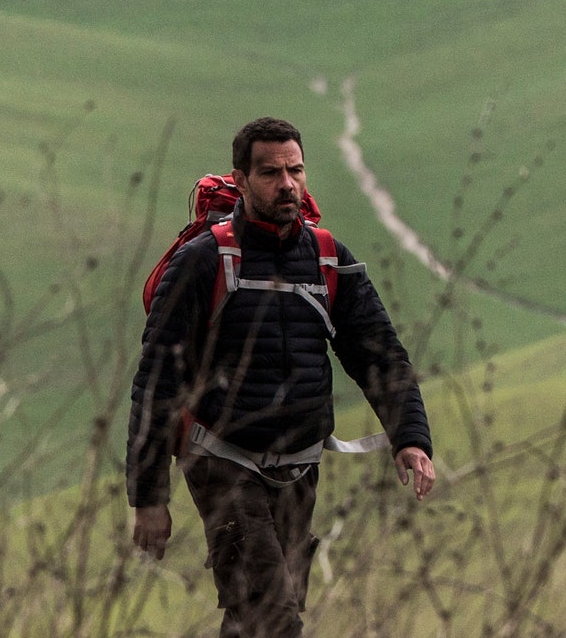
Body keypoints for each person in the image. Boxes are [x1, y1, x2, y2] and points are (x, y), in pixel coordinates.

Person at [127, 117, 435, 637]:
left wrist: (411, 437)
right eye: (270, 172)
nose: (287, 183)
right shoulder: (203, 261)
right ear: (241, 180)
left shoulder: (328, 259)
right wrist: (149, 496)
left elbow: (378, 353)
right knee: (274, 618)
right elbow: (158, 379)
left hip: (299, 466)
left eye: (295, 170)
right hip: (220, 458)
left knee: (258, 616)